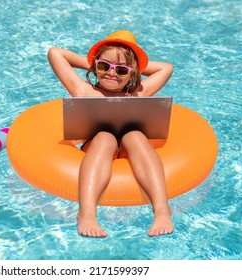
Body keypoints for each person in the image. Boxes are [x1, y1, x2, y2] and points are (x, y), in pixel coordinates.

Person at [47, 30, 174, 238]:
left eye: (121, 70)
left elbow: (166, 68)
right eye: (104, 66)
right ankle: (87, 214)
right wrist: (96, 62)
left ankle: (162, 210)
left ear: (133, 74)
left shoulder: (138, 92)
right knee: (105, 137)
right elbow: (55, 53)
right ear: (95, 67)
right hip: (98, 146)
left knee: (134, 135)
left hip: (129, 148)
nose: (111, 73)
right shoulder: (83, 90)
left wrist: (132, 65)